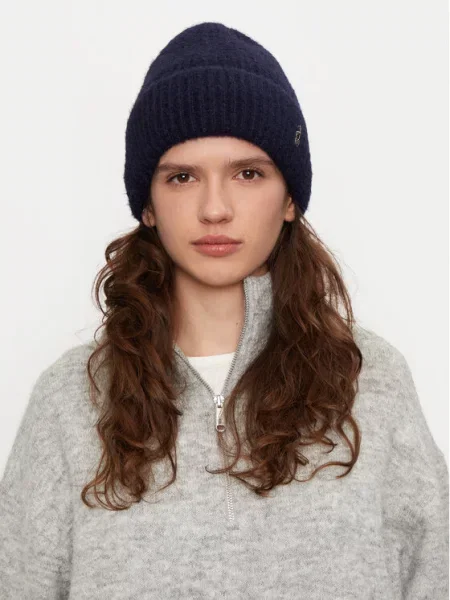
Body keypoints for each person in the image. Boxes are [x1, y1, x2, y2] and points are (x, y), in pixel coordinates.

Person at [0, 21, 448, 600]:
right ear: (148, 205)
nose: (215, 208)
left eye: (248, 173)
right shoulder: (69, 401)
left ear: (289, 198)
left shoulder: (372, 381)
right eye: (182, 177)